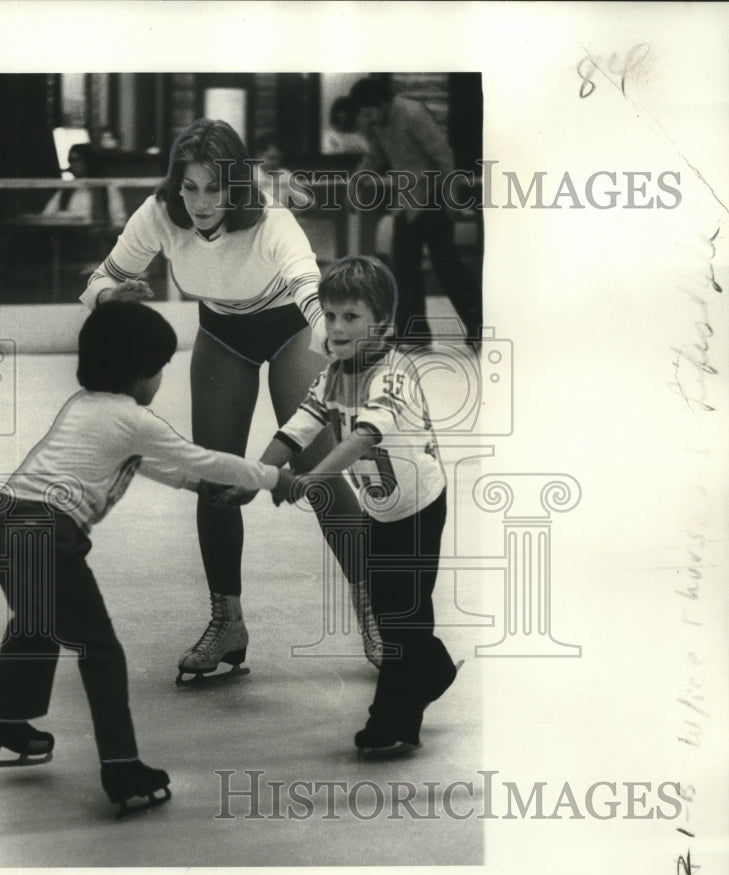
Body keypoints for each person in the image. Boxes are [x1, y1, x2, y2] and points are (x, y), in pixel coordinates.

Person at [79, 118, 382, 682]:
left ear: (236, 186)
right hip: (222, 336)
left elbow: (308, 291)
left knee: (317, 468)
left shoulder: (273, 221)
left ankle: (378, 612)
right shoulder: (158, 215)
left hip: (292, 330)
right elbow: (98, 279)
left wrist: (337, 344)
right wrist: (108, 296)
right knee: (216, 478)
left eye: (213, 188)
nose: (198, 203)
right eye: (188, 187)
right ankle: (228, 622)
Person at [0, 301, 295, 817]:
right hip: (46, 534)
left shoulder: (85, 406)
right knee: (100, 650)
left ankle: (1, 723)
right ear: (140, 372)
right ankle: (122, 768)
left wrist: (197, 490)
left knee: (36, 622)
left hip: (2, 524)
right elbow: (201, 457)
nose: (162, 378)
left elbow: (151, 467)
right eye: (160, 368)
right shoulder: (132, 418)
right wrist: (276, 477)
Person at [227, 256, 459, 756]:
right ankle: (434, 670)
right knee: (395, 608)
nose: (336, 327)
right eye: (330, 316)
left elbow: (363, 437)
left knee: (403, 617)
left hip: (420, 508)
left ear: (383, 326)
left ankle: (393, 722)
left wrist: (312, 478)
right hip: (381, 510)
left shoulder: (392, 375)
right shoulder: (333, 374)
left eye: (351, 317)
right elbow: (299, 426)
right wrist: (260, 475)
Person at [349, 76, 480, 345]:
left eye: (371, 111)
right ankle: (414, 332)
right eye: (364, 114)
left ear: (383, 103)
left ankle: (480, 325)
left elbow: (443, 155)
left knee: (447, 266)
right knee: (404, 266)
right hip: (408, 201)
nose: (369, 118)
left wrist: (452, 199)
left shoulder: (412, 113)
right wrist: (357, 179)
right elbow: (376, 156)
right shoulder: (379, 123)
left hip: (433, 198)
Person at [41, 143, 126, 228]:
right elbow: (46, 216)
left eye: (76, 160)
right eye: (70, 160)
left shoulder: (106, 189)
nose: (72, 164)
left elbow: (119, 220)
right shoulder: (66, 191)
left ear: (87, 161)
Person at [252, 132, 292, 207]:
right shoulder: (249, 174)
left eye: (278, 159)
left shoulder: (285, 174)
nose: (275, 163)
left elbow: (309, 202)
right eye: (271, 158)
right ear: (259, 155)